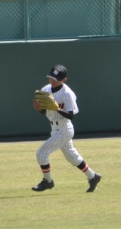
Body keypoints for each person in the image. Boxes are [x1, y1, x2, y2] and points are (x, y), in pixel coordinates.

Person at [31, 64, 102, 193]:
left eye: (56, 79)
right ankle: (93, 176)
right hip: (54, 127)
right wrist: (39, 109)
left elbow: (71, 115)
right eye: (51, 78)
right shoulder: (45, 89)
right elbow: (44, 111)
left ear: (64, 80)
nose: (52, 81)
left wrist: (57, 109)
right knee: (72, 156)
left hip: (64, 129)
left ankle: (48, 181)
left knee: (41, 154)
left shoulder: (67, 93)